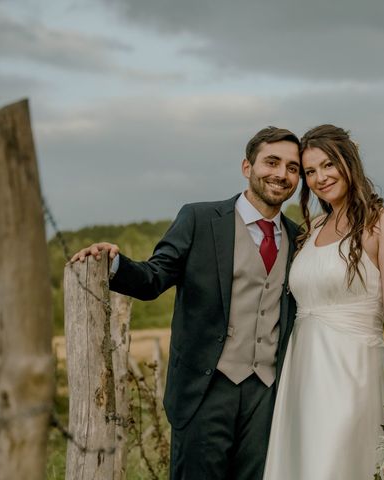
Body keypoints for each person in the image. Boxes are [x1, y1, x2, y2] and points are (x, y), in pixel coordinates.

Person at [70, 126, 302, 480]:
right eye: (272, 162)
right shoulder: (198, 219)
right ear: (247, 167)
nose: (281, 174)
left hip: (267, 394)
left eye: (292, 168)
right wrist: (112, 263)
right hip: (206, 389)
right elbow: (153, 279)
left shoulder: (298, 237)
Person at [263, 124, 384, 480]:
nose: (319, 178)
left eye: (328, 165)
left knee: (336, 464)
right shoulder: (314, 228)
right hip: (301, 375)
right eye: (309, 171)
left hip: (353, 373)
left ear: (349, 162)